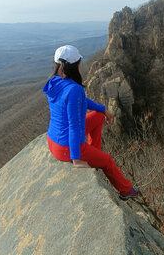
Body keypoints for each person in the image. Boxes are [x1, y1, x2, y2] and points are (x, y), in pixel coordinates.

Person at [43, 45, 139, 201]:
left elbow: (81, 102)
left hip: (53, 140)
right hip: (67, 147)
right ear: (77, 65)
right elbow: (74, 126)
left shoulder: (54, 82)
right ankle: (126, 190)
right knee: (107, 161)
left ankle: (93, 154)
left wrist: (103, 109)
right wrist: (77, 159)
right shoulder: (74, 89)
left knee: (98, 116)